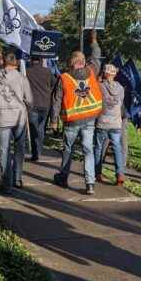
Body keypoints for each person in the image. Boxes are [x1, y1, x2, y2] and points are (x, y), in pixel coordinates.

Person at [51, 45, 102, 195]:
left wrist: (54, 120)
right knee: (88, 150)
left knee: (68, 149)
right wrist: (93, 42)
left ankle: (64, 177)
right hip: (90, 119)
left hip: (72, 121)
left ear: (71, 62)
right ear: (83, 62)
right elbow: (96, 57)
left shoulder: (64, 78)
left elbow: (56, 100)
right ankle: (90, 183)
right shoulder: (92, 71)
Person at [0, 51, 33, 194]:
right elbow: (29, 100)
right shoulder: (22, 79)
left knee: (4, 151)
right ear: (16, 63)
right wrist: (27, 108)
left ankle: (6, 185)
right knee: (19, 148)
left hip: (2, 118)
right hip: (19, 118)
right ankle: (17, 178)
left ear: (3, 62)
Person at [94, 64, 126, 185]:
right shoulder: (121, 88)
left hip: (102, 122)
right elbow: (120, 103)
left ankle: (97, 173)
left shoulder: (99, 86)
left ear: (105, 73)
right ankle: (120, 174)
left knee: (98, 148)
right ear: (114, 74)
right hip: (116, 123)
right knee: (117, 148)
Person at [26, 56, 55, 161]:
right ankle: (38, 151)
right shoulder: (48, 72)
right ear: (41, 61)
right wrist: (48, 92)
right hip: (45, 104)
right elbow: (54, 84)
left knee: (34, 129)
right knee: (41, 129)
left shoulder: (27, 72)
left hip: (32, 104)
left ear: (31, 60)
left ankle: (35, 153)